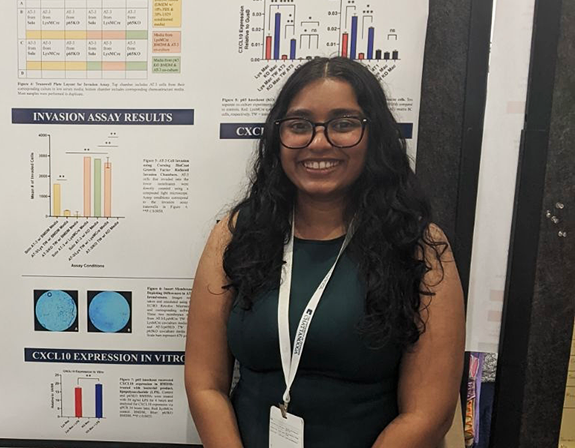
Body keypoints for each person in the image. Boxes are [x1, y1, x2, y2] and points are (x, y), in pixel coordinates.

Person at [185, 57, 465, 448]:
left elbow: (428, 414)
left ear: (374, 135)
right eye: (299, 125)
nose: (319, 142)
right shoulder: (236, 236)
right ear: (277, 137)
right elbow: (204, 384)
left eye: (343, 123)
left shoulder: (418, 247)